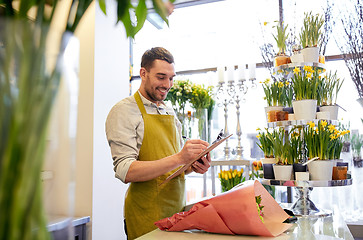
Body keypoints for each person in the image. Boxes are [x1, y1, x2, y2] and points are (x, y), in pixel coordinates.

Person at [105, 47, 211, 240]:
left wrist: (192, 165)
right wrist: (180, 157)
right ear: (143, 73)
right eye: (161, 77)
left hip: (176, 211)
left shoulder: (168, 111)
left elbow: (174, 165)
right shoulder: (123, 111)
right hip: (146, 213)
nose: (167, 84)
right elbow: (125, 170)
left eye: (171, 78)